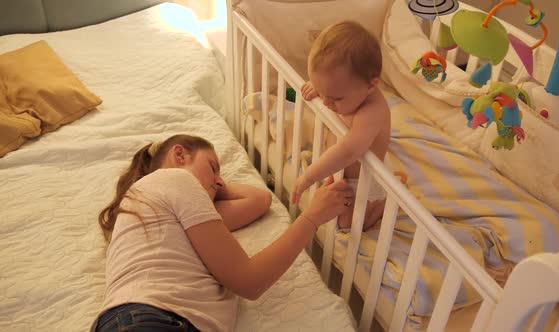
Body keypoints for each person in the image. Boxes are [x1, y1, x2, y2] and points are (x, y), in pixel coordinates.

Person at [92, 134, 354, 332]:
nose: (219, 181)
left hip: (141, 319)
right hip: (153, 318)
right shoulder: (175, 180)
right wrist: (312, 217)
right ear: (179, 155)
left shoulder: (157, 205)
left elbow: (259, 200)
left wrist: (213, 184)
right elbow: (249, 281)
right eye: (213, 166)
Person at [292, 21, 391, 230]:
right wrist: (319, 89)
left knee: (348, 223)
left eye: (335, 98)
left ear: (371, 85)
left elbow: (347, 151)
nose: (326, 103)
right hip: (341, 170)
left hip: (363, 178)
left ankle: (381, 205)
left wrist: (309, 176)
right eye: (322, 92)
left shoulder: (372, 111)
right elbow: (331, 89)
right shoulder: (346, 88)